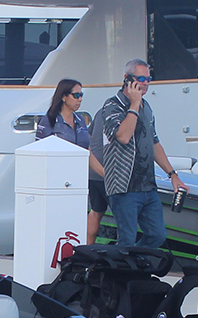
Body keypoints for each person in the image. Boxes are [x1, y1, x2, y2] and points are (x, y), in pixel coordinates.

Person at [97, 59, 186, 248]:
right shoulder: (112, 105)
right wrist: (134, 104)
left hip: (147, 186)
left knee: (157, 235)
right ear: (127, 79)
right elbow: (123, 136)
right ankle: (124, 264)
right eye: (141, 79)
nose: (145, 83)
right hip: (124, 187)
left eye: (148, 79)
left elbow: (154, 143)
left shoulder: (147, 107)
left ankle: (136, 262)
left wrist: (172, 174)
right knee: (126, 240)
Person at [34, 78, 103, 242]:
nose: (80, 99)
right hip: (56, 183)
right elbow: (39, 154)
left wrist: (105, 174)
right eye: (76, 95)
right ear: (64, 97)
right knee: (57, 224)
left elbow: (86, 152)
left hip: (78, 183)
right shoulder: (49, 121)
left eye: (81, 95)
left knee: (75, 224)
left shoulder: (80, 120)